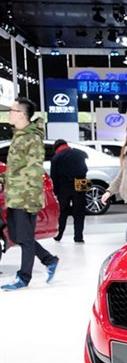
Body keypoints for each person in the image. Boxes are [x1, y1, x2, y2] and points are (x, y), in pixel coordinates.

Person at [0, 97, 59, 290]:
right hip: (15, 195)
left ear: (22, 115)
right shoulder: (19, 136)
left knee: (24, 238)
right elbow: (14, 168)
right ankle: (49, 259)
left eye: (12, 110)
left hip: (25, 197)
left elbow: (34, 170)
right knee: (16, 235)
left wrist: (26, 198)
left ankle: (23, 278)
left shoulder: (31, 138)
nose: (9, 113)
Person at [50, 139, 88, 243]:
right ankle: (79, 237)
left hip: (64, 186)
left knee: (62, 212)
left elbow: (54, 177)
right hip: (81, 182)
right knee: (79, 212)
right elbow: (85, 169)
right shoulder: (79, 153)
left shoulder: (56, 158)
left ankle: (58, 235)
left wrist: (55, 192)